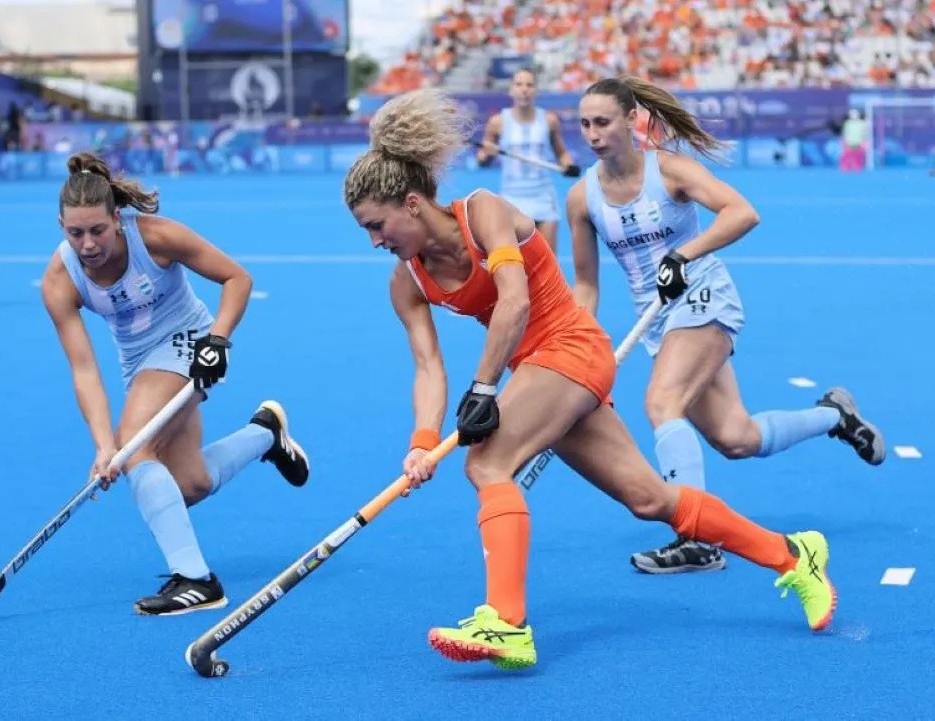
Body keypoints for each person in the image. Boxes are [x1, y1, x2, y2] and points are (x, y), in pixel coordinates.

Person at [343, 89, 838, 671]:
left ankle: (506, 623)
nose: (376, 242)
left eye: (378, 226)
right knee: (649, 499)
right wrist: (422, 443)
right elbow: (427, 368)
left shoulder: (485, 213)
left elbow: (514, 303)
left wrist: (483, 390)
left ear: (412, 203)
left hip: (569, 349)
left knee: (486, 465)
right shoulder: (408, 281)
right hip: (541, 374)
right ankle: (792, 556)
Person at [567, 77, 885, 575]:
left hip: (703, 295)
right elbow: (586, 286)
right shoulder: (581, 198)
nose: (592, 133)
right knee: (737, 438)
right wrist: (575, 351)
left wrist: (683, 254)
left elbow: (743, 213)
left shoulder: (670, 171)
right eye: (585, 124)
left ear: (632, 120)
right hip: (656, 321)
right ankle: (834, 416)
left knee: (661, 403)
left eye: (602, 122)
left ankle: (695, 538)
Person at [40, 151, 310, 616]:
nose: (88, 244)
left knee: (136, 451)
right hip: (139, 364)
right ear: (61, 226)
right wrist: (104, 447)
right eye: (75, 232)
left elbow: (236, 278)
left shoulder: (156, 237)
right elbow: (84, 369)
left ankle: (197, 581)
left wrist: (218, 340)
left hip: (190, 341)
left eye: (98, 230)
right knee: (188, 485)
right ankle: (265, 434)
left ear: (117, 218)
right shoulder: (59, 280)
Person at [475, 68, 580, 253]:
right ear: (511, 90)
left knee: (547, 264)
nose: (524, 89)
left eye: (529, 85)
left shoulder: (549, 120)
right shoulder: (497, 122)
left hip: (543, 198)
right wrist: (487, 154)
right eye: (519, 84)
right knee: (516, 265)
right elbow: (482, 159)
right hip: (512, 200)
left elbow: (561, 153)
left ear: (536, 90)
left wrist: (568, 165)